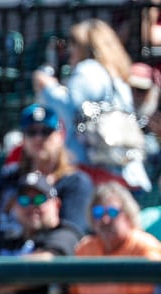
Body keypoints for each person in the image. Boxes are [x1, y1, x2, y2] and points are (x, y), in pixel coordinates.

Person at [32, 18, 150, 192]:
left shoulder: (89, 69)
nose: (70, 52)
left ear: (83, 47)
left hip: (97, 169)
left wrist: (47, 87)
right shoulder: (115, 74)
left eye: (74, 46)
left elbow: (73, 108)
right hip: (124, 169)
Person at [0, 104, 93, 254]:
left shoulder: (75, 181)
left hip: (46, 265)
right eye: (31, 132)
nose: (38, 138)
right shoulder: (9, 176)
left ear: (60, 136)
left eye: (46, 131)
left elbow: (72, 232)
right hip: (0, 254)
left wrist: (36, 265)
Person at [69, 181, 161, 294]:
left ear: (128, 214)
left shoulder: (145, 249)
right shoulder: (84, 249)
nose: (105, 220)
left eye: (112, 212)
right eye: (98, 212)